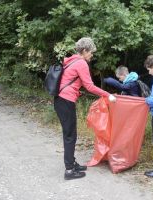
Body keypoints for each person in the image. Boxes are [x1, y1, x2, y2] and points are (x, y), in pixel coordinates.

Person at [54, 37, 116, 180]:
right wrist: (108, 95)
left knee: (70, 134)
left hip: (61, 100)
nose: (92, 55)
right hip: (65, 101)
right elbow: (89, 86)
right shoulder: (81, 63)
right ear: (84, 51)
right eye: (91, 52)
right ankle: (69, 170)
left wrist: (77, 92)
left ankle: (72, 163)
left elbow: (73, 82)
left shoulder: (71, 60)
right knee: (70, 136)